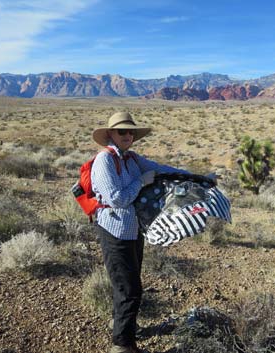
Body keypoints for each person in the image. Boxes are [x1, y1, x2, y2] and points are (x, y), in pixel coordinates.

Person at [91, 112, 191, 353]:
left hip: (134, 230)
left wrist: (197, 178)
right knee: (130, 288)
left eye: (130, 132)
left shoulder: (131, 158)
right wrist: (141, 182)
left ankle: (120, 325)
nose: (127, 135)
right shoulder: (104, 161)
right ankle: (123, 346)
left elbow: (161, 169)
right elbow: (117, 198)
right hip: (114, 230)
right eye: (122, 131)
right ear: (111, 134)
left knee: (126, 283)